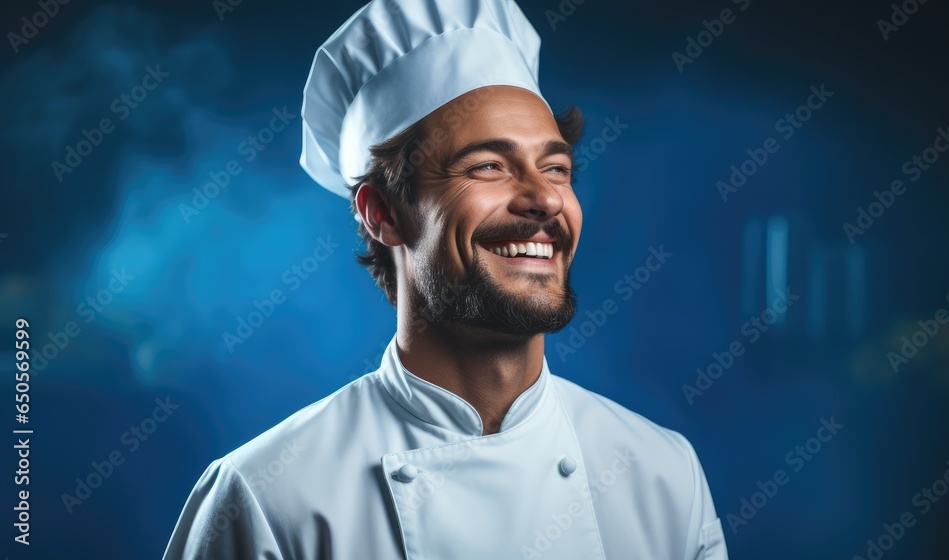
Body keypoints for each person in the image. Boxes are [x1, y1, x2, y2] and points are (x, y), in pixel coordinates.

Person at [163, 0, 729, 558]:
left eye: (556, 168)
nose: (544, 199)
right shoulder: (264, 499)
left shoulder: (662, 474)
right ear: (383, 213)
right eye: (488, 166)